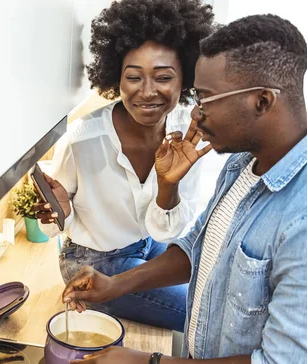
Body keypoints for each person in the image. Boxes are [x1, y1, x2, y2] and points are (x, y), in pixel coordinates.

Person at [62, 14, 307, 364]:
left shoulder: (306, 219)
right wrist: (116, 284)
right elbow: (199, 246)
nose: (195, 114)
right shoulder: (245, 162)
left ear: (262, 100)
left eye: (205, 100)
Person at [33, 0, 214, 332]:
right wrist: (60, 212)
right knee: (203, 313)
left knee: (214, 288)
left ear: (184, 78)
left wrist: (168, 186)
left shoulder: (186, 137)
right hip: (92, 263)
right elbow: (53, 226)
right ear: (116, 76)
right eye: (133, 77)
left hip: (148, 243)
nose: (147, 92)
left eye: (163, 77)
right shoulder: (82, 140)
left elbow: (167, 230)